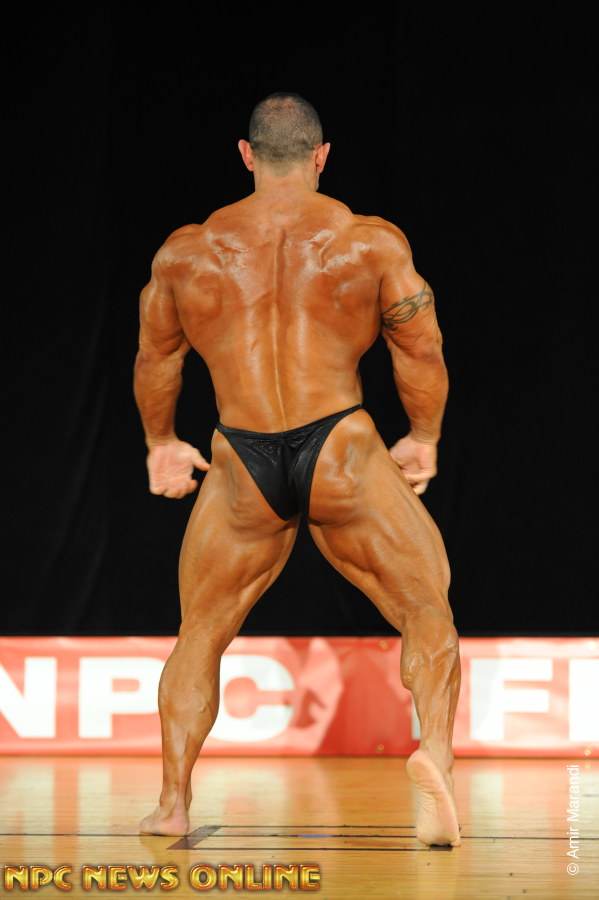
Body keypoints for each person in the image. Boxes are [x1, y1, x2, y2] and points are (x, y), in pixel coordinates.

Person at [133, 92, 461, 846]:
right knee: (426, 607)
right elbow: (421, 348)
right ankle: (435, 758)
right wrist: (423, 436)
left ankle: (172, 803)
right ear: (321, 156)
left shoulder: (185, 253)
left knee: (200, 631)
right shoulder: (369, 243)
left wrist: (160, 442)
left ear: (246, 155)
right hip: (339, 446)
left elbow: (156, 358)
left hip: (240, 457)